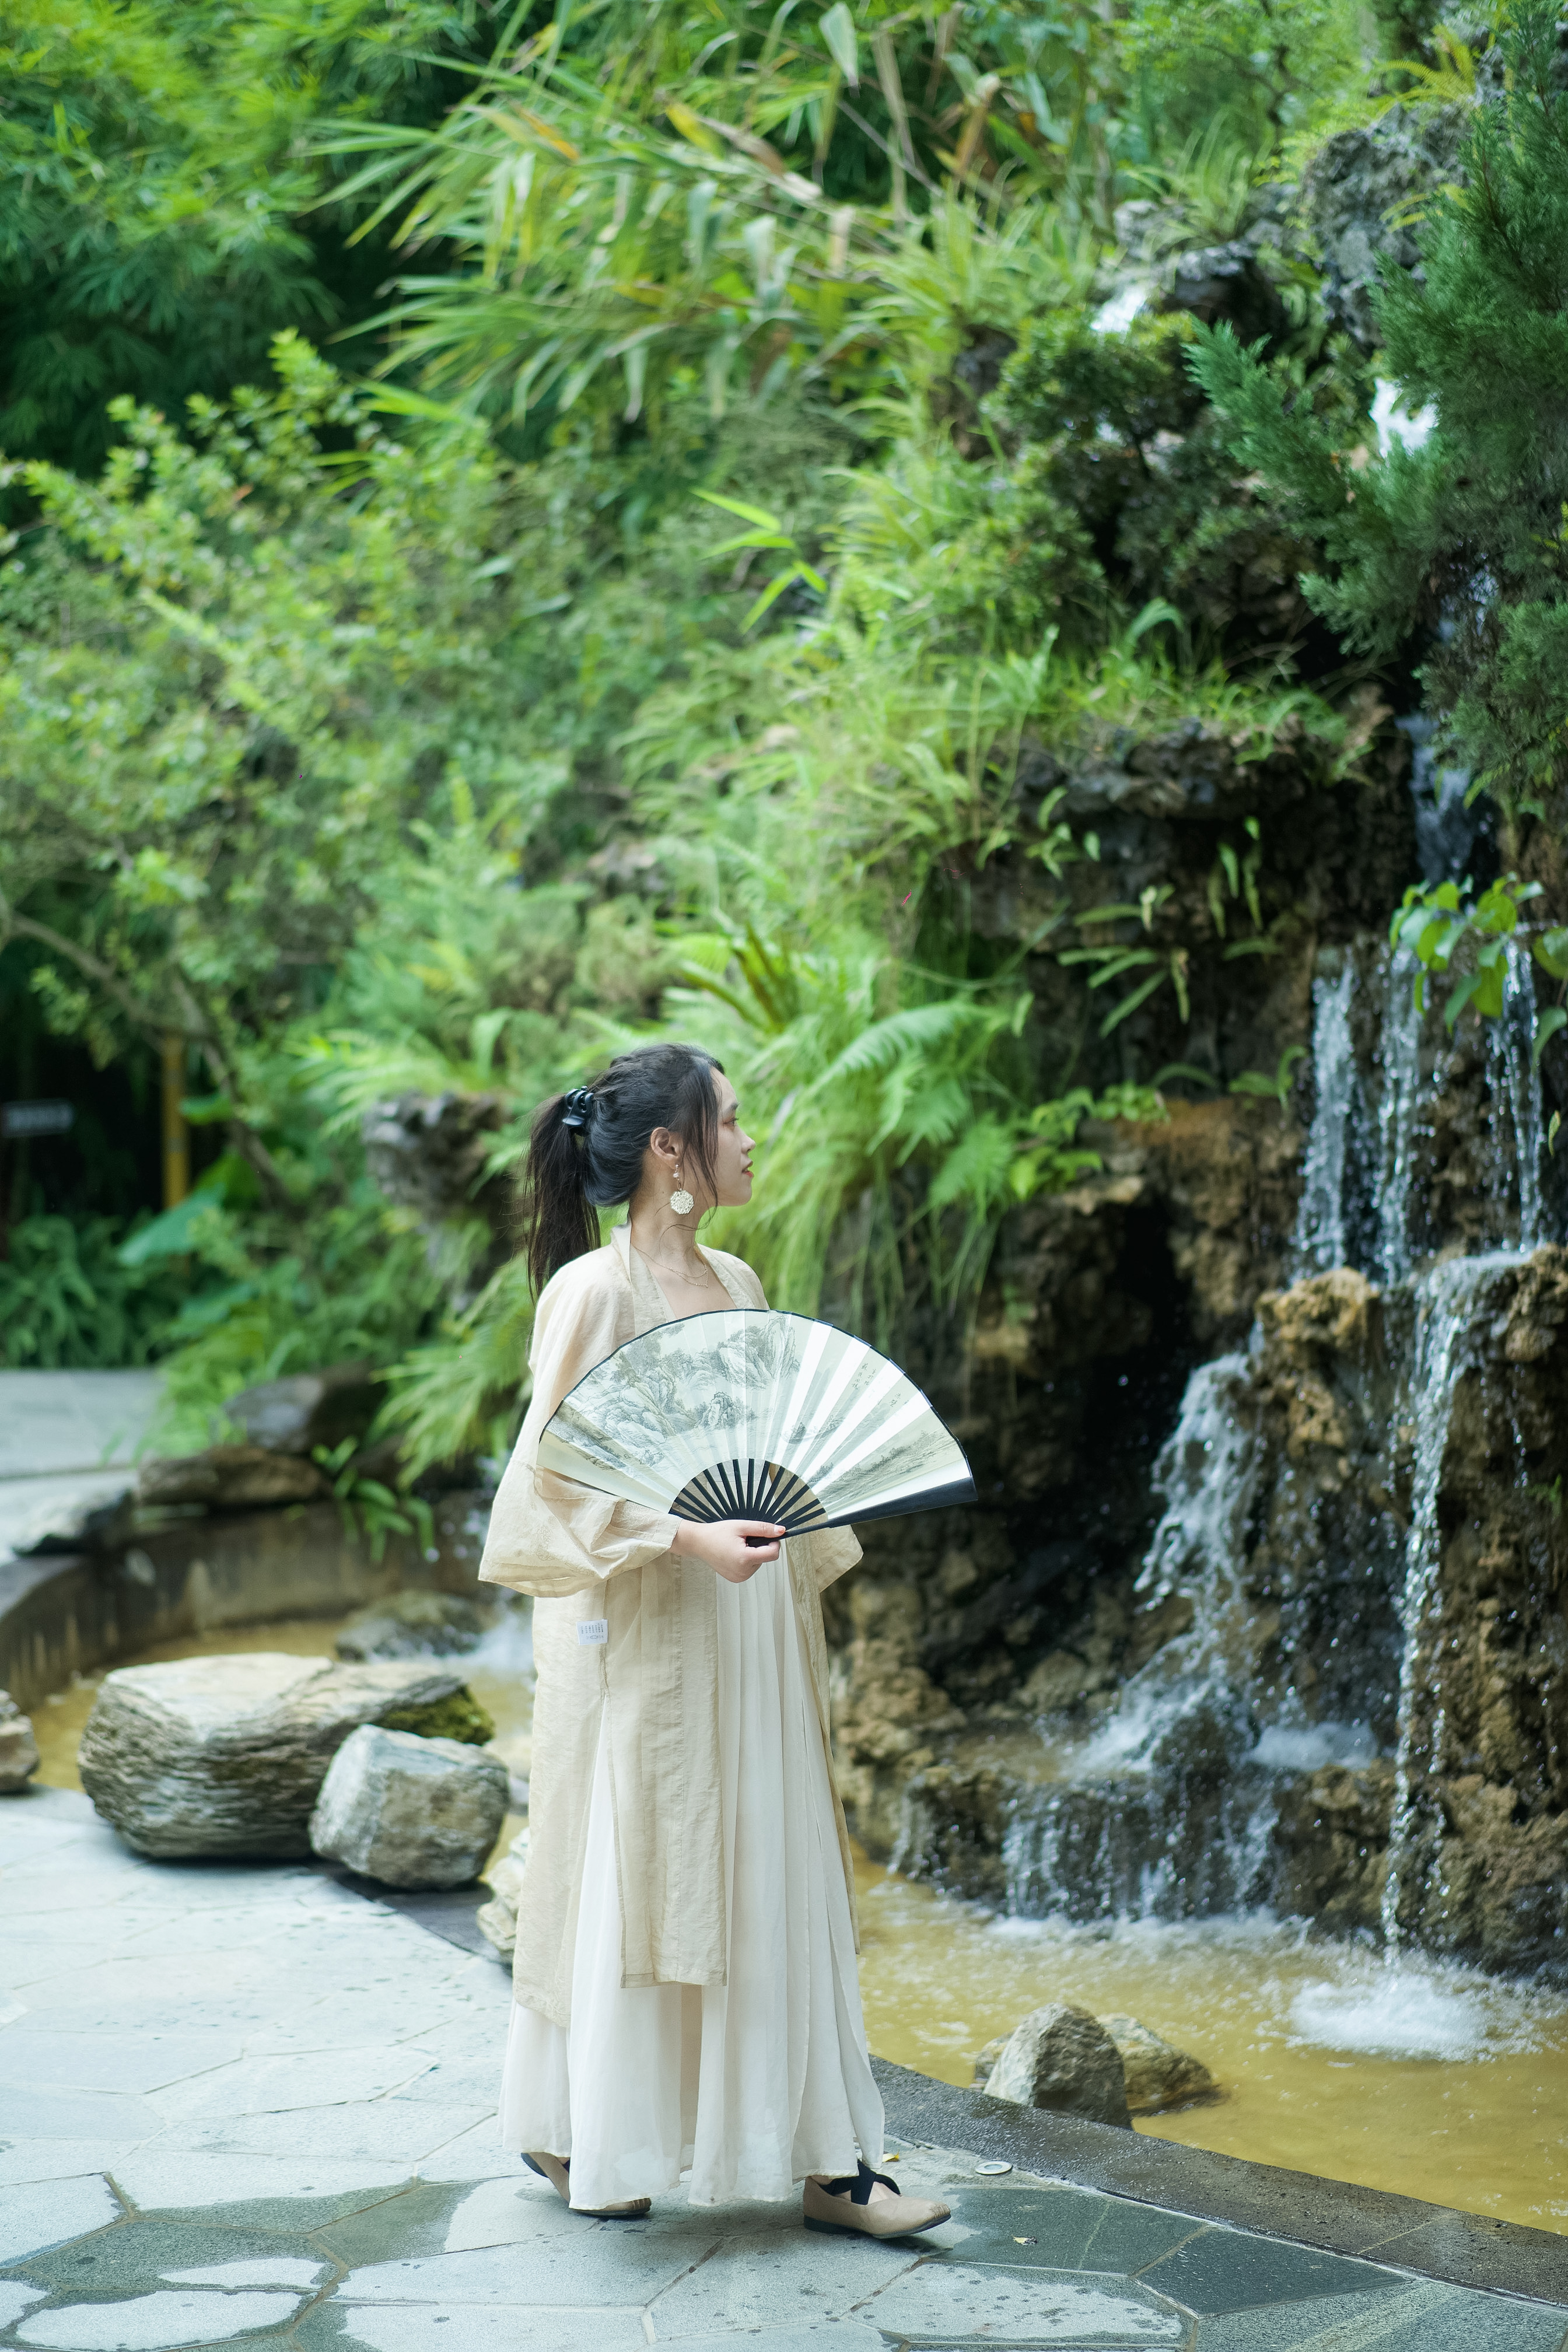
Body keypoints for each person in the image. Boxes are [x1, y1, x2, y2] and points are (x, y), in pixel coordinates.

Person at [478, 1041, 950, 2239]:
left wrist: (783, 1523)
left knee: (771, 1864)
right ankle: (593, 2133)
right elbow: (550, 1487)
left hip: (754, 1628)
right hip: (645, 1632)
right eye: (730, 1121)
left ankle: (830, 2163)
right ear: (670, 1152)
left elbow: (776, 1449)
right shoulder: (593, 1294)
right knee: (639, 1871)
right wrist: (686, 1538)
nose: (749, 1139)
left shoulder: (737, 1282)